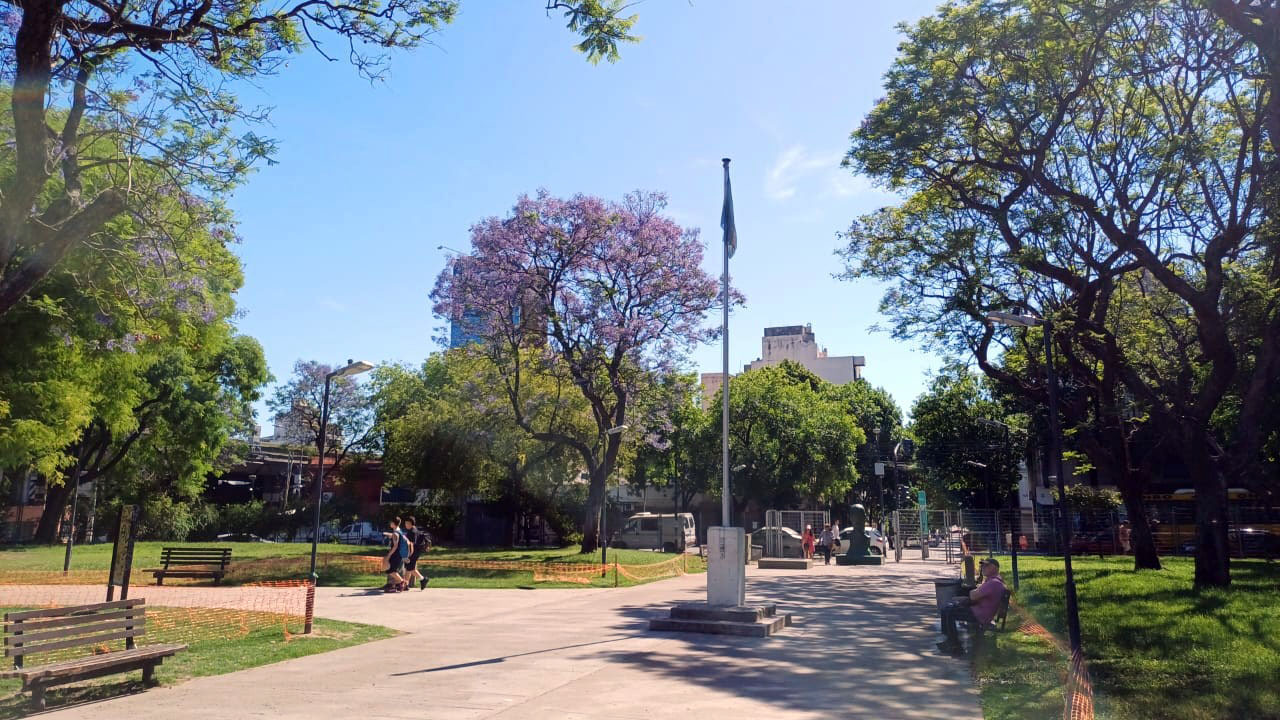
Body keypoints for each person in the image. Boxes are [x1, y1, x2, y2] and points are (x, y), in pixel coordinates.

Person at [937, 558, 1006, 655]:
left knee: (949, 611)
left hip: (980, 615)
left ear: (994, 568)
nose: (983, 568)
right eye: (982, 565)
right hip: (980, 611)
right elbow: (976, 596)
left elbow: (973, 595)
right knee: (948, 609)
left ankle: (954, 646)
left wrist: (972, 593)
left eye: (986, 566)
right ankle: (950, 641)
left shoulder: (993, 583)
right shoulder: (993, 581)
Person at [382, 517, 412, 593]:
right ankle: (398, 584)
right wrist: (390, 535)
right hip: (399, 554)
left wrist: (389, 555)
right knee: (392, 570)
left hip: (395, 554)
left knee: (390, 570)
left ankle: (402, 582)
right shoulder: (399, 531)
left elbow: (395, 546)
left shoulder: (395, 533)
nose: (390, 524)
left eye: (391, 522)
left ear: (393, 523)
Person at [402, 516, 433, 590]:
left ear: (410, 523)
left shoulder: (412, 532)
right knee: (409, 568)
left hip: (413, 552)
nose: (405, 525)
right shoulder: (415, 529)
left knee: (410, 568)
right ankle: (406, 585)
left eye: (406, 523)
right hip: (416, 552)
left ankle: (423, 579)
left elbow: (411, 544)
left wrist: (408, 554)